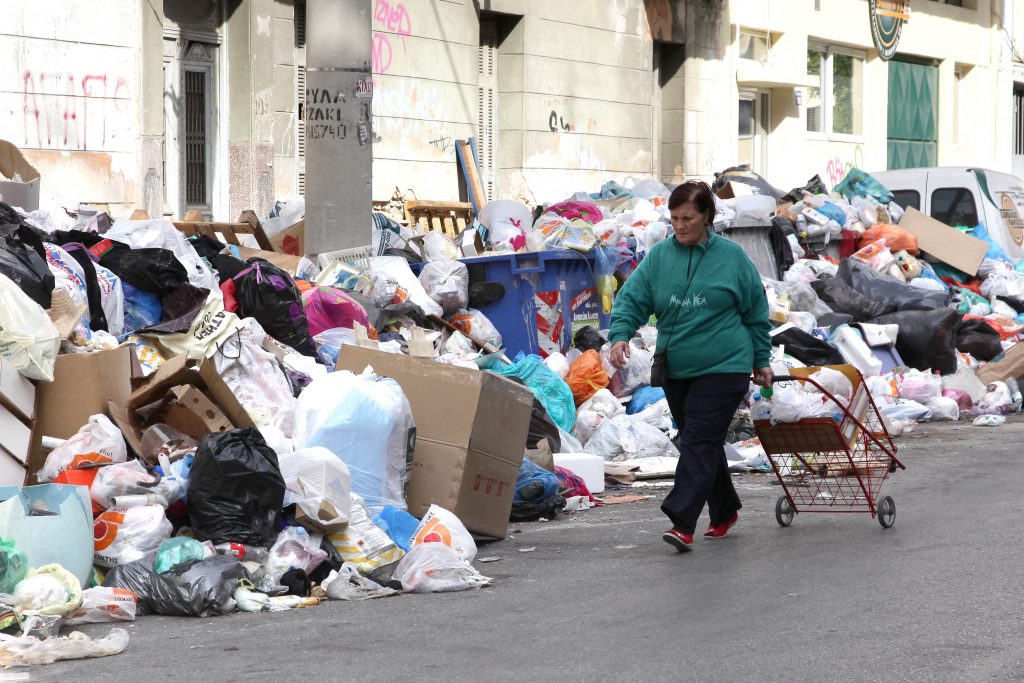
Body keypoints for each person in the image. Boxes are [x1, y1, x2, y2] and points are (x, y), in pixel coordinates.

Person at [607, 180, 772, 553]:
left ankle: (682, 521)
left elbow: (755, 312)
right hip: (677, 368)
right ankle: (725, 508)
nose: (679, 226)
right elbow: (634, 298)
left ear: (707, 217)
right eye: (674, 218)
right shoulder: (661, 256)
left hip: (726, 366)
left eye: (687, 218)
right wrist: (620, 335)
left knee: (698, 439)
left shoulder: (732, 258)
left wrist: (761, 359)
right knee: (703, 442)